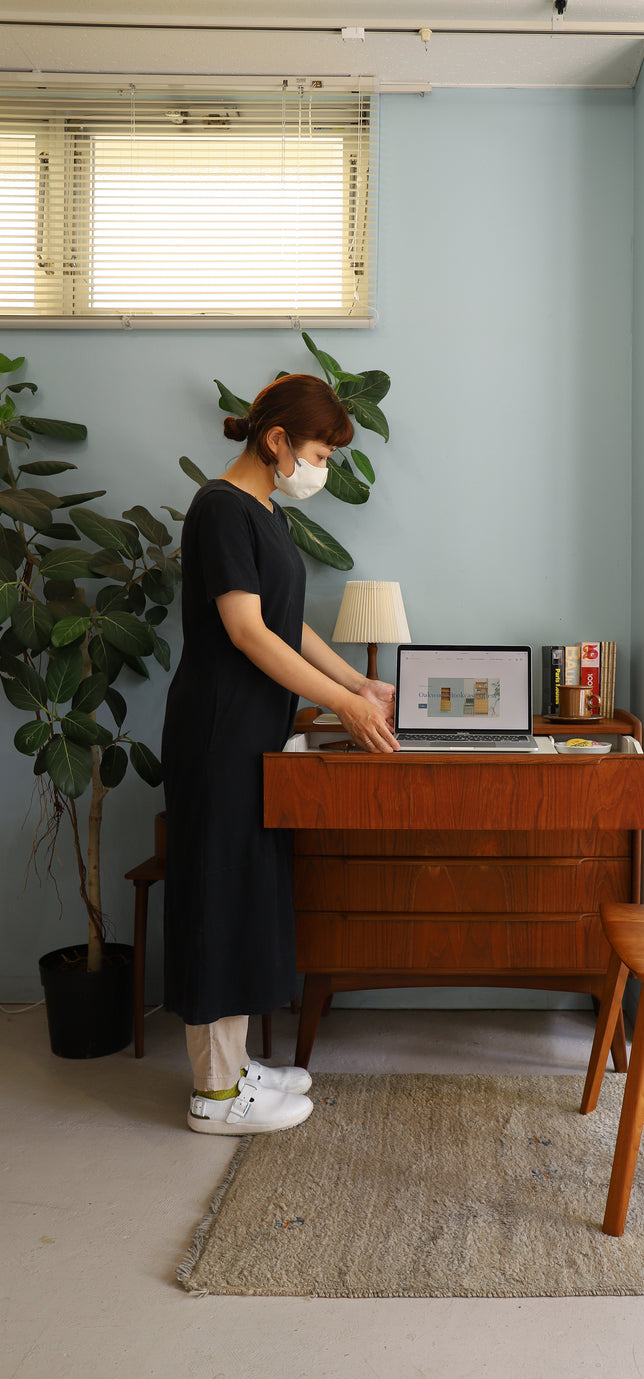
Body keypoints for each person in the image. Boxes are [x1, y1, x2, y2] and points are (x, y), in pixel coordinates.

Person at [162, 373, 399, 1136]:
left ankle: (232, 1066)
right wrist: (341, 706)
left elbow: (288, 625)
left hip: (252, 731)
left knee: (244, 889)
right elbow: (246, 633)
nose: (322, 466)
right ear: (278, 442)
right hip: (217, 730)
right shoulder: (219, 509)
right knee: (217, 890)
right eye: (321, 451)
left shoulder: (264, 514)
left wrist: (356, 679)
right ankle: (215, 1095)